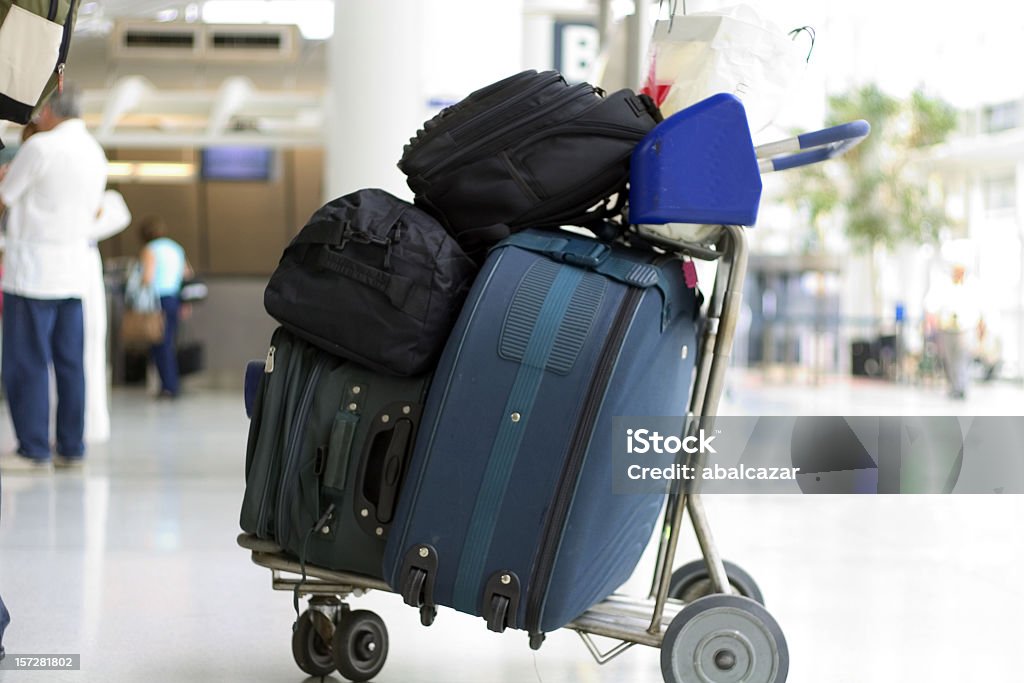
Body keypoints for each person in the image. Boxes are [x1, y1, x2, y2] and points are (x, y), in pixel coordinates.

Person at [0, 86, 107, 471]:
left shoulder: (41, 148)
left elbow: (5, 196)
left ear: (47, 110)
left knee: (27, 362)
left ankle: (33, 448)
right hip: (73, 275)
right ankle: (71, 446)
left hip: (32, 275)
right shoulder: (96, 152)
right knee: (70, 365)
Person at [138, 216, 192, 398]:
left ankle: (169, 386)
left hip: (157, 300)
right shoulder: (176, 248)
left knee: (160, 344)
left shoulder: (150, 249)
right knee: (169, 342)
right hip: (174, 299)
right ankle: (170, 384)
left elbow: (147, 277)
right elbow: (187, 273)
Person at [924, 262, 983, 400]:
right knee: (950, 360)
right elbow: (932, 307)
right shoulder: (944, 288)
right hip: (947, 330)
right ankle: (954, 386)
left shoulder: (970, 288)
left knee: (962, 359)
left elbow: (978, 311)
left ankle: (961, 387)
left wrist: (980, 329)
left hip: (964, 330)